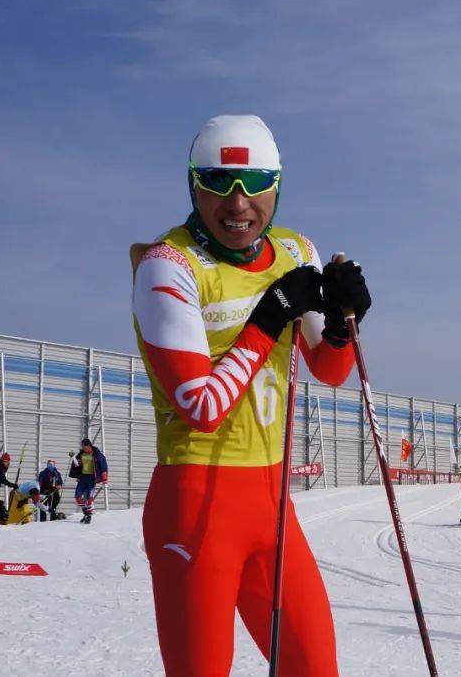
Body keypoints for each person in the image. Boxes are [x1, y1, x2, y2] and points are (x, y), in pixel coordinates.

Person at [131, 115, 371, 676]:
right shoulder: (168, 266)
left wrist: (342, 321)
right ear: (192, 185)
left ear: (277, 185)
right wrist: (270, 317)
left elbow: (331, 370)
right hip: (195, 509)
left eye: (254, 182)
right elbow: (201, 407)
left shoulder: (295, 251)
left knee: (314, 669)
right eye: (217, 182)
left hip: (272, 509)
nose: (238, 204)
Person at [68, 438, 108, 524]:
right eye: (82, 446)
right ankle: (86, 513)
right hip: (82, 478)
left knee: (90, 498)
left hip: (92, 479)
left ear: (88, 445)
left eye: (84, 446)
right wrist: (73, 458)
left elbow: (103, 465)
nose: (82, 448)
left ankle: (88, 516)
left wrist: (104, 477)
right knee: (77, 497)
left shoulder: (96, 454)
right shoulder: (81, 454)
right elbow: (77, 465)